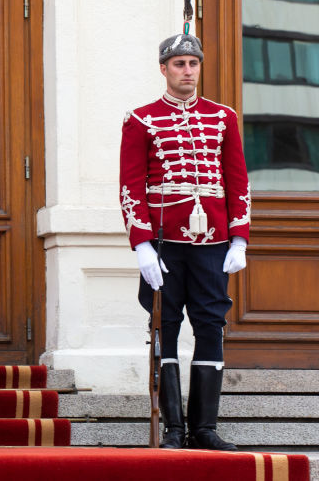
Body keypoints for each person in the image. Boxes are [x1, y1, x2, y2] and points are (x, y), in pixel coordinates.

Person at [119, 32, 250, 451]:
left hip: (212, 241)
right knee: (166, 326)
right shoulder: (140, 119)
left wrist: (239, 238)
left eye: (193, 64)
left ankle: (205, 428)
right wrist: (141, 243)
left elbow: (237, 180)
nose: (187, 71)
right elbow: (130, 185)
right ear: (164, 69)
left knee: (211, 326)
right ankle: (175, 429)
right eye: (179, 64)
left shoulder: (223, 117)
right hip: (163, 242)